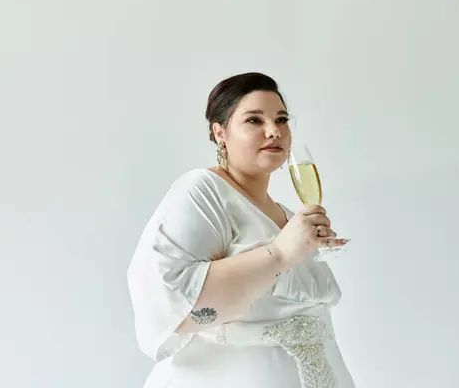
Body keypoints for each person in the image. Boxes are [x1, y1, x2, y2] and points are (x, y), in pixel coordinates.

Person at [127, 72, 356, 388]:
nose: (274, 131)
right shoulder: (204, 191)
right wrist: (279, 255)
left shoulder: (287, 215)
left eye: (282, 119)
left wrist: (302, 245)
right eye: (254, 120)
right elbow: (177, 308)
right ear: (220, 132)